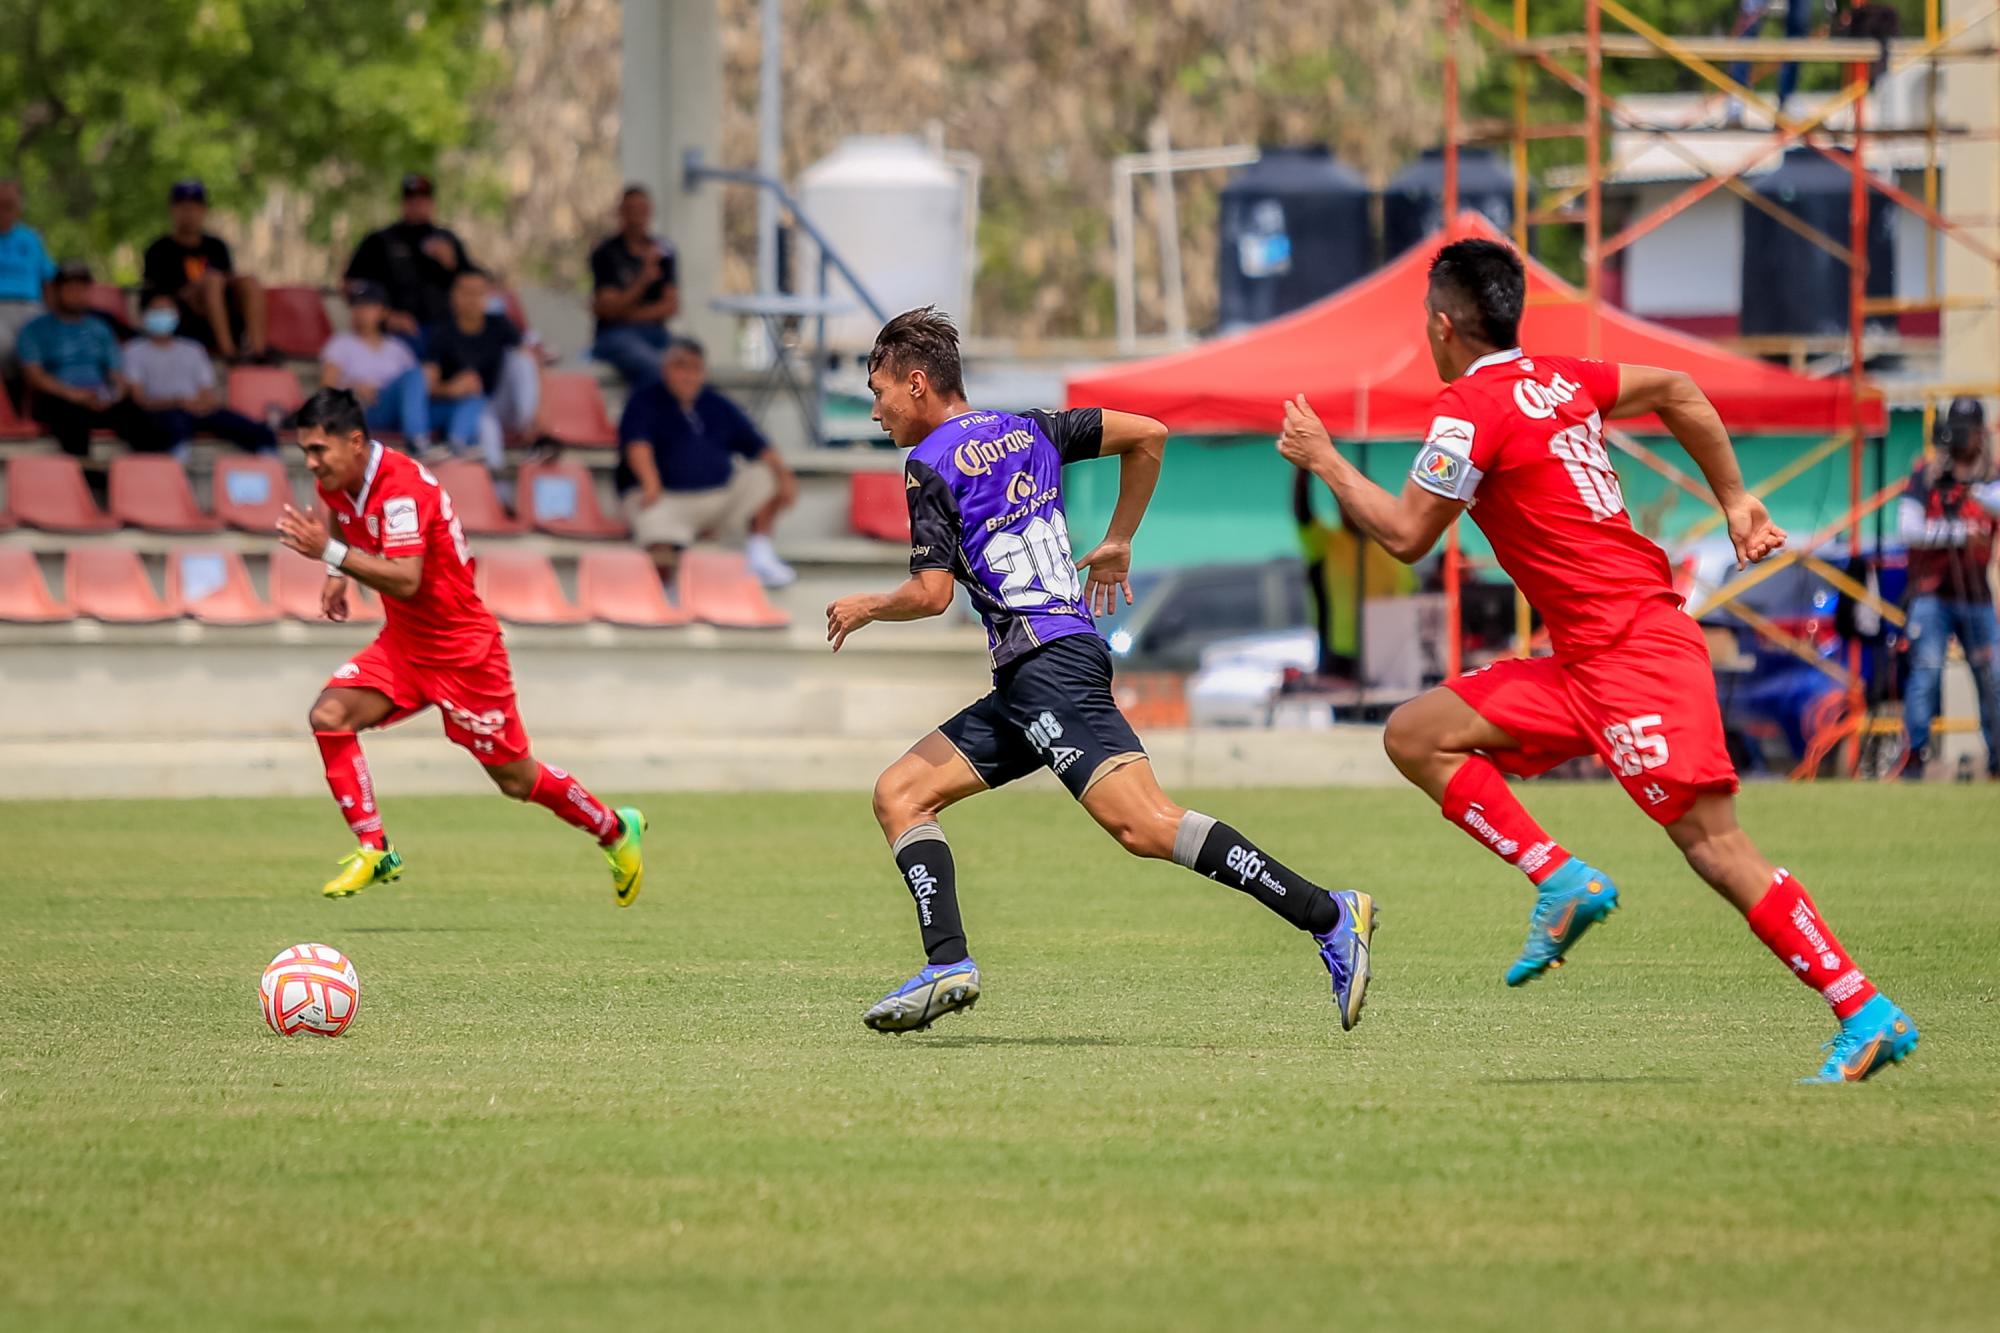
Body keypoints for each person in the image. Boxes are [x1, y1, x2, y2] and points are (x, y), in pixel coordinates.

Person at [1276, 237, 1915, 1084]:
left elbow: (1404, 533)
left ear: (1441, 324)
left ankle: (1862, 1007)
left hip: (1634, 654)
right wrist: (1734, 499)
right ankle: (1560, 876)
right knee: (1415, 733)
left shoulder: (1471, 409)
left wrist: (1322, 458)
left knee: (1715, 848)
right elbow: (1681, 388)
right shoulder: (1561, 378)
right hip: (1584, 658)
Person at [824, 307, 1376, 1035]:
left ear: (918, 383)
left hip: (1047, 667)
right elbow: (1150, 434)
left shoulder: (928, 465)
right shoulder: (1033, 429)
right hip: (1035, 673)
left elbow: (930, 596)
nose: (876, 411)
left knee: (1145, 824)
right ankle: (949, 961)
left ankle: (1329, 912)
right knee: (901, 793)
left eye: (880, 392)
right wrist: (1118, 538)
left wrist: (868, 605)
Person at [274, 387, 647, 903]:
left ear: (356, 441)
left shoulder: (401, 491)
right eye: (306, 452)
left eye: (319, 451)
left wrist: (330, 552)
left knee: (516, 781)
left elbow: (405, 579)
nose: (311, 464)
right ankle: (374, 847)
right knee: (329, 716)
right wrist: (339, 569)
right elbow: (339, 514)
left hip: (463, 654)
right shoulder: (341, 480)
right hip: (405, 645)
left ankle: (615, 829)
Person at [615, 337, 798, 587]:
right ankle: (666, 592)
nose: (688, 376)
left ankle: (760, 554)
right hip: (663, 499)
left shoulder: (716, 403)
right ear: (666, 368)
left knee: (765, 475)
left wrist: (785, 477)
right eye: (681, 367)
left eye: (695, 368)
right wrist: (650, 483)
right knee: (658, 540)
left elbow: (759, 446)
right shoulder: (643, 401)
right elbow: (637, 446)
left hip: (715, 498)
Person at [1898, 396, 2000, 779]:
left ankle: (1997, 758)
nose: (1964, 439)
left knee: (1993, 676)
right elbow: (1908, 529)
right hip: (1931, 595)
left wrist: (1972, 489)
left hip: (1976, 596)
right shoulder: (1926, 476)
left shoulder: (1990, 479)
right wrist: (1958, 532)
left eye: (1970, 430)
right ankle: (1915, 756)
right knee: (1926, 672)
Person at [16, 261, 166, 457]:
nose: (77, 294)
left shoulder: (100, 328)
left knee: (138, 416)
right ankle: (87, 480)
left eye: (82, 288)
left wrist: (113, 395)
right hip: (58, 399)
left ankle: (148, 478)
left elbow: (116, 373)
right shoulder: (34, 329)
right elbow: (34, 376)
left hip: (97, 398)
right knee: (71, 418)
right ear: (55, 291)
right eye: (70, 288)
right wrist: (74, 395)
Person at [1293, 469, 1414, 680]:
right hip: (1340, 653)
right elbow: (1303, 513)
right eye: (1347, 502)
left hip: (1389, 651)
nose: (1353, 510)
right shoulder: (1326, 541)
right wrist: (1304, 470)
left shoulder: (1392, 546)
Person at [121, 293, 277, 453]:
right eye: (158, 310)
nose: (163, 315)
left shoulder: (193, 349)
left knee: (246, 427)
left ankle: (269, 457)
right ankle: (175, 465)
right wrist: (177, 402)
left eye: (168, 310)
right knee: (174, 426)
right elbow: (140, 399)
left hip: (195, 410)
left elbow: (206, 394)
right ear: (144, 315)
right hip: (162, 413)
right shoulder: (133, 351)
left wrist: (199, 405)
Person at [141, 180, 269, 363]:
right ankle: (229, 353)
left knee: (248, 281)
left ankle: (258, 352)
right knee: (213, 280)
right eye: (184, 208)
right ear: (173, 210)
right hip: (182, 321)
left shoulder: (216, 247)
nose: (190, 214)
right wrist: (198, 290)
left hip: (222, 317)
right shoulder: (159, 250)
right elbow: (155, 297)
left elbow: (229, 283)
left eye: (195, 208)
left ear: (203, 210)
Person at [344, 173, 473, 348]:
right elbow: (350, 284)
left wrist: (451, 263)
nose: (418, 204)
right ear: (403, 203)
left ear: (432, 203)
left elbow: (474, 283)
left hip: (445, 328)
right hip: (395, 331)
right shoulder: (379, 240)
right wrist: (386, 315)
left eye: (423, 199)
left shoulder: (447, 239)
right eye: (412, 199)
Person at [422, 268, 517, 465]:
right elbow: (426, 387)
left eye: (479, 292)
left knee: (522, 360)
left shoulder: (500, 324)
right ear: (453, 295)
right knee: (484, 423)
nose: (472, 299)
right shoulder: (441, 331)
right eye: (466, 292)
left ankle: (527, 420)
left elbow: (530, 358)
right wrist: (452, 389)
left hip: (501, 403)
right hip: (461, 408)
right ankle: (494, 489)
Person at [319, 281, 433, 446]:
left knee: (417, 376)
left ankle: (457, 444)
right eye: (356, 306)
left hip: (397, 410)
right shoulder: (340, 343)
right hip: (365, 411)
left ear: (383, 312)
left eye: (368, 306)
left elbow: (417, 385)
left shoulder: (398, 347)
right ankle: (419, 441)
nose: (361, 311)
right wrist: (354, 388)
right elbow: (326, 389)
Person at [589, 185, 679, 389]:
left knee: (689, 363)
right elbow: (608, 309)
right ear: (620, 212)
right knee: (654, 369)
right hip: (614, 336)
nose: (638, 214)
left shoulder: (664, 251)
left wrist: (624, 312)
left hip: (656, 334)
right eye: (631, 208)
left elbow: (671, 307)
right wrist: (644, 279)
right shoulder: (606, 253)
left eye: (643, 208)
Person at [0, 178, 54, 377]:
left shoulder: (30, 238)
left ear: (19, 208)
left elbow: (48, 278)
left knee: (46, 346)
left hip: (31, 306)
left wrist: (52, 314)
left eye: (9, 206)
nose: (3, 212)